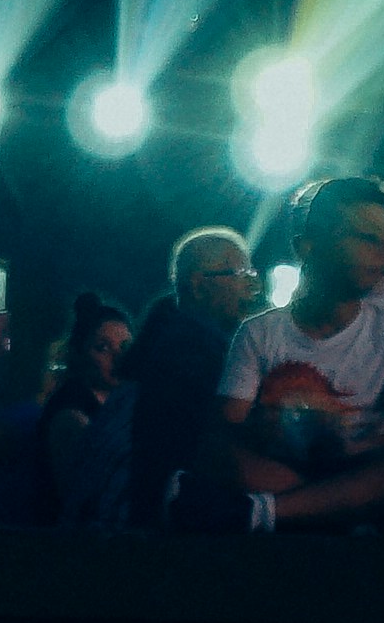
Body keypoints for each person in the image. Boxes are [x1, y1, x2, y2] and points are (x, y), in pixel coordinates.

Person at [215, 176, 384, 531]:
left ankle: (266, 513)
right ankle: (334, 507)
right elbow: (228, 428)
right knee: (217, 455)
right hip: (289, 467)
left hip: (360, 463)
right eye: (366, 238)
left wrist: (355, 450)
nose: (383, 254)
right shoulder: (259, 332)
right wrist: (273, 431)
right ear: (308, 246)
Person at [118, 225, 262, 528]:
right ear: (198, 285)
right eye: (240, 274)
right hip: (185, 524)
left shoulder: (176, 340)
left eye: (252, 275)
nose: (251, 287)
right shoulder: (193, 351)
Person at [24, 294, 137, 528]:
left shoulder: (121, 404)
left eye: (125, 346)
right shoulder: (71, 412)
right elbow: (81, 493)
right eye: (102, 347)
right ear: (81, 353)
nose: (118, 356)